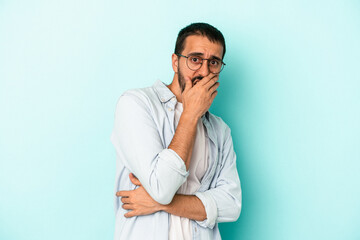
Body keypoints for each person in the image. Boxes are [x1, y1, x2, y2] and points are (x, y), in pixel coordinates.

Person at [111, 22, 242, 240]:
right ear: (175, 62)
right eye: (195, 59)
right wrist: (190, 114)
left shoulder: (220, 130)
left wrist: (159, 204)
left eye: (214, 62)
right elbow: (162, 187)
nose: (204, 71)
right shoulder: (136, 104)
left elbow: (231, 205)